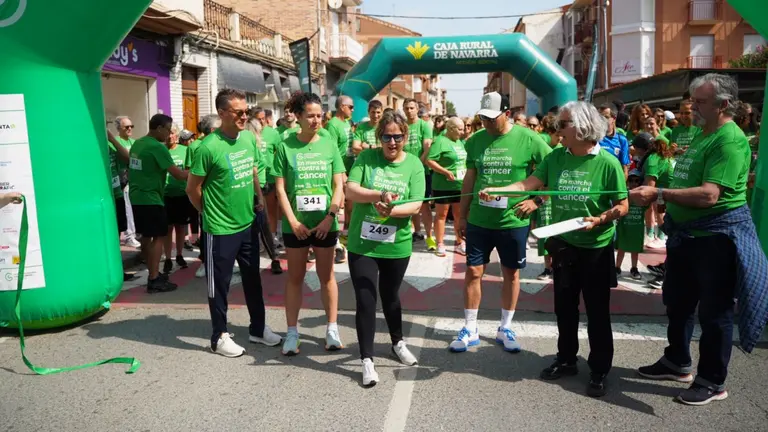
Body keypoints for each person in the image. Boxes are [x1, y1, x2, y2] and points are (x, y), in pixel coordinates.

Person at [631, 73, 768, 406]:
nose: (692, 107)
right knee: (677, 303)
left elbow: (709, 195)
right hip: (687, 238)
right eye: (692, 100)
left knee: (714, 313)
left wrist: (660, 192)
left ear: (723, 104)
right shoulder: (701, 134)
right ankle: (677, 361)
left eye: (700, 101)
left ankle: (712, 381)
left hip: (715, 240)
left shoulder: (729, 140)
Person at [481, 101, 629, 397]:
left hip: (596, 248)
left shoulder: (608, 163)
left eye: (562, 125)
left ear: (582, 127)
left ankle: (599, 369)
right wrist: (498, 189)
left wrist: (600, 219)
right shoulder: (557, 157)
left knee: (597, 312)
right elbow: (530, 183)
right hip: (564, 244)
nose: (556, 130)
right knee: (565, 308)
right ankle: (566, 359)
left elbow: (623, 205)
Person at [450, 92, 552, 354]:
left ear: (507, 113)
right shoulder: (475, 141)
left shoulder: (530, 139)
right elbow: (469, 181)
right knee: (473, 272)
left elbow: (553, 171)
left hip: (512, 221)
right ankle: (470, 327)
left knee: (511, 273)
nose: (486, 123)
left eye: (492, 118)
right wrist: (461, 215)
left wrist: (536, 202)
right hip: (479, 221)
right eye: (483, 117)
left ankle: (505, 327)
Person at [187, 89, 282, 357]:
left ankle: (258, 328)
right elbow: (192, 188)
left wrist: (259, 197)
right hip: (220, 229)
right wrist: (208, 213)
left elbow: (252, 170)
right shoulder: (208, 147)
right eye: (238, 112)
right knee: (220, 286)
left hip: (248, 224)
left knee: (253, 279)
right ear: (222, 113)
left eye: (246, 112)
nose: (244, 116)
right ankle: (219, 336)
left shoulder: (248, 139)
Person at [345, 111, 424, 386]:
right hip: (363, 244)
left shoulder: (414, 164)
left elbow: (416, 204)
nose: (392, 142)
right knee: (366, 300)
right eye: (387, 137)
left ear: (405, 136)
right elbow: (351, 190)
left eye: (397, 137)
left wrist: (392, 210)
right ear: (379, 137)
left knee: (390, 295)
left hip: (396, 245)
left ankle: (397, 342)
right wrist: (379, 196)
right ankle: (367, 360)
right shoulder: (366, 158)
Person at [271, 91, 346, 356]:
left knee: (327, 277)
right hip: (297, 225)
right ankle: (292, 333)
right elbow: (279, 188)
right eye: (310, 116)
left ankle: (332, 329)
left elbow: (339, 184)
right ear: (298, 117)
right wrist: (292, 221)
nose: (316, 120)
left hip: (325, 223)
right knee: (295, 278)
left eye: (320, 116)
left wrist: (330, 217)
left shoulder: (329, 144)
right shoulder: (285, 146)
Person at [128, 114, 188, 293]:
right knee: (158, 236)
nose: (170, 135)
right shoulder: (157, 147)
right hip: (151, 198)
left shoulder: (138, 143)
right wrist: (201, 172)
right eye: (168, 130)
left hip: (137, 196)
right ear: (160, 128)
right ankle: (154, 278)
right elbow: (178, 174)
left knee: (147, 236)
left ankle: (153, 271)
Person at [245, 116, 283, 275]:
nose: (261, 133)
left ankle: (273, 258)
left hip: (256, 188)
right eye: (259, 130)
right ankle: (272, 258)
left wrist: (259, 195)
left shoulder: (252, 144)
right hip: (253, 188)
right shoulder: (251, 144)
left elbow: (255, 172)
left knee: (260, 225)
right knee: (260, 226)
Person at [187, 114, 222, 279]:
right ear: (214, 130)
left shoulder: (224, 145)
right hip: (207, 201)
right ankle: (205, 262)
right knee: (206, 233)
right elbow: (193, 183)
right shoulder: (199, 148)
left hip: (224, 202)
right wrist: (202, 206)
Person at [426, 117, 467, 257]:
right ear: (450, 129)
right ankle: (440, 243)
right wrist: (445, 171)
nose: (463, 132)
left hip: (460, 185)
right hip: (443, 185)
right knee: (441, 215)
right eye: (460, 129)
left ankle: (460, 242)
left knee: (459, 215)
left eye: (463, 128)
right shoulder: (440, 141)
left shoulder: (459, 142)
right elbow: (429, 160)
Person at [325, 95, 355, 264]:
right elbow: (332, 150)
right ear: (342, 106)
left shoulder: (347, 123)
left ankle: (345, 236)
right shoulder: (332, 125)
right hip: (338, 171)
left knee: (350, 205)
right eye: (350, 107)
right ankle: (335, 243)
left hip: (350, 168)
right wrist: (341, 173)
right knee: (337, 205)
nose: (353, 110)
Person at [402, 99, 436, 250]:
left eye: (411, 108)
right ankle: (416, 232)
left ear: (417, 109)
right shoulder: (402, 126)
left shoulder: (424, 125)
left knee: (424, 205)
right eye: (406, 108)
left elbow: (427, 148)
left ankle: (430, 238)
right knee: (408, 203)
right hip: (403, 170)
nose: (409, 111)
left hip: (422, 171)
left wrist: (416, 165)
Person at [162, 124, 191, 274]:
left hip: (181, 194)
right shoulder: (160, 150)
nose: (170, 136)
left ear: (177, 135)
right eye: (168, 133)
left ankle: (179, 255)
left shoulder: (185, 150)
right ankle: (167, 258)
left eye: (172, 133)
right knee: (167, 229)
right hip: (165, 195)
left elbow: (190, 170)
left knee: (180, 227)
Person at [113, 116, 141, 249]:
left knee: (135, 207)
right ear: (119, 128)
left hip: (135, 178)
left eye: (131, 126)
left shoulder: (134, 142)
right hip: (123, 179)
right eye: (126, 127)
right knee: (127, 208)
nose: (130, 129)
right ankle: (129, 236)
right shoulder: (116, 141)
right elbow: (126, 158)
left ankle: (135, 232)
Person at [615, 169, 647, 280]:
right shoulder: (625, 195)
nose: (634, 183)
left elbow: (648, 206)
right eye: (631, 180)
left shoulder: (643, 197)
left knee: (635, 250)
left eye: (637, 181)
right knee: (621, 249)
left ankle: (634, 268)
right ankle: (617, 267)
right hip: (624, 227)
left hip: (637, 228)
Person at [598, 103, 631, 179]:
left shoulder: (621, 140)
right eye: (599, 117)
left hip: (612, 183)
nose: (601, 120)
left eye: (606, 117)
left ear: (614, 118)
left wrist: (620, 187)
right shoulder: (592, 138)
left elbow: (624, 169)